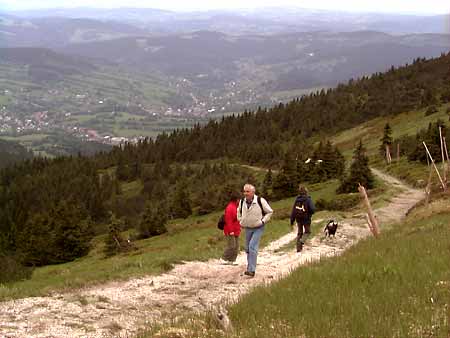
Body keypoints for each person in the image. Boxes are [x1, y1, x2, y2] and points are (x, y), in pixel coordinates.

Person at [237, 183, 273, 277]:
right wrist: (240, 221)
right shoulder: (242, 202)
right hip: (247, 228)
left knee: (252, 246)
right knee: (248, 248)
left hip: (258, 227)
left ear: (253, 192)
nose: (245, 193)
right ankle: (249, 268)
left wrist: (263, 221)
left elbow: (269, 212)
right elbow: (238, 212)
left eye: (247, 191)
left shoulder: (260, 200)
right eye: (244, 191)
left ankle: (252, 270)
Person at [290, 185, 315, 253]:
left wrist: (292, 221)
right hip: (306, 219)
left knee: (299, 233)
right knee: (307, 232)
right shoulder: (308, 199)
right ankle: (301, 242)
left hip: (298, 219)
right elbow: (312, 209)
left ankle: (298, 249)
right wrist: (310, 213)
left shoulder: (296, 200)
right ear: (306, 192)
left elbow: (293, 211)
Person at [220, 190, 242, 265]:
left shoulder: (236, 207)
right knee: (231, 246)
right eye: (239, 199)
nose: (240, 200)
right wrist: (231, 231)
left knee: (236, 247)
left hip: (236, 230)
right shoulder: (230, 207)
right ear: (236, 199)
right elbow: (228, 220)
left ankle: (231, 260)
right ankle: (223, 258)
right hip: (230, 230)